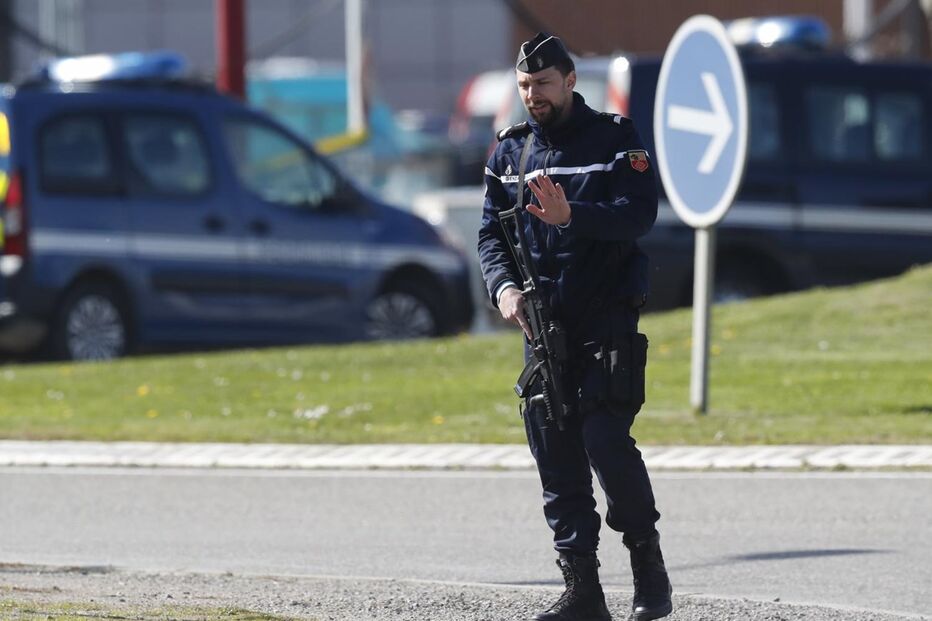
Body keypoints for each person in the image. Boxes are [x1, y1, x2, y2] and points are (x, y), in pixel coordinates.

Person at [478, 33, 673, 621]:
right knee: (555, 453)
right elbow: (491, 236)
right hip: (543, 326)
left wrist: (572, 216)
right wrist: (504, 288)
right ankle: (583, 591)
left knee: (605, 442)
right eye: (523, 87)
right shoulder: (509, 155)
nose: (531, 96)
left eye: (541, 84)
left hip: (604, 317)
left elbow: (638, 214)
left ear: (568, 82)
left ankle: (649, 573)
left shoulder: (615, 139)